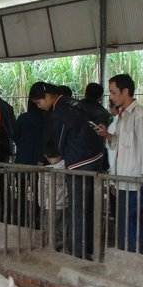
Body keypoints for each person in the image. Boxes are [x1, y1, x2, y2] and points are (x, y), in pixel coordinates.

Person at [31, 82, 105, 260]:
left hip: (80, 163)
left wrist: (53, 156)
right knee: (89, 207)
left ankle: (76, 253)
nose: (38, 106)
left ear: (48, 96)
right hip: (96, 157)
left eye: (39, 102)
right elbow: (102, 117)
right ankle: (88, 247)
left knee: (77, 209)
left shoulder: (60, 113)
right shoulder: (74, 103)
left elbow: (58, 143)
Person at [94, 74, 143, 254]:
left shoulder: (140, 116)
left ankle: (134, 261)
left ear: (126, 91)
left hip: (136, 184)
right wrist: (108, 136)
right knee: (124, 227)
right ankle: (125, 259)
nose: (111, 97)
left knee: (134, 229)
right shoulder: (122, 116)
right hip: (123, 182)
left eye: (114, 92)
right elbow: (119, 144)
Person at [38, 141, 67, 251]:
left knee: (50, 229)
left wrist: (41, 203)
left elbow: (42, 190)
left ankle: (52, 249)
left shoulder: (45, 172)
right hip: (65, 204)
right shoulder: (68, 167)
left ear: (45, 156)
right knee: (63, 227)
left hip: (50, 205)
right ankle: (64, 248)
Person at [14, 96, 48, 166]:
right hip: (41, 159)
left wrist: (22, 146)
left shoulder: (23, 118)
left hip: (23, 157)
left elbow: (15, 136)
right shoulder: (47, 118)